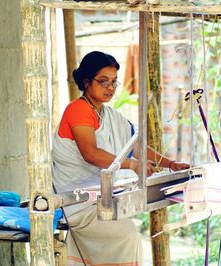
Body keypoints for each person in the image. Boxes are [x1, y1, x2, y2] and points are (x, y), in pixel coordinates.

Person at [52, 51, 189, 265]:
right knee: (128, 235)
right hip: (77, 204)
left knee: (127, 234)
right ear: (87, 82)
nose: (111, 88)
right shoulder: (78, 110)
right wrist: (132, 165)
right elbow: (91, 153)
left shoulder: (110, 115)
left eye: (114, 82)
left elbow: (135, 147)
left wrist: (170, 164)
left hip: (100, 199)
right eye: (103, 81)